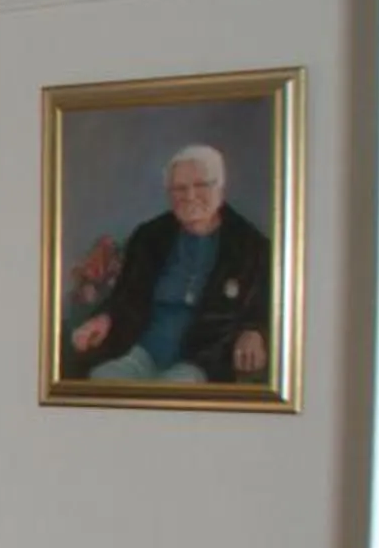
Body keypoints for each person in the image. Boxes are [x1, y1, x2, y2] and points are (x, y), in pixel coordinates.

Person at [69, 143, 271, 383]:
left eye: (201, 185)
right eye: (180, 188)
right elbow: (125, 296)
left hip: (203, 361)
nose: (190, 196)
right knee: (101, 379)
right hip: (141, 353)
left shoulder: (250, 246)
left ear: (220, 188)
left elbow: (264, 307)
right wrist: (105, 318)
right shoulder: (149, 236)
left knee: (171, 393)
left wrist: (256, 332)